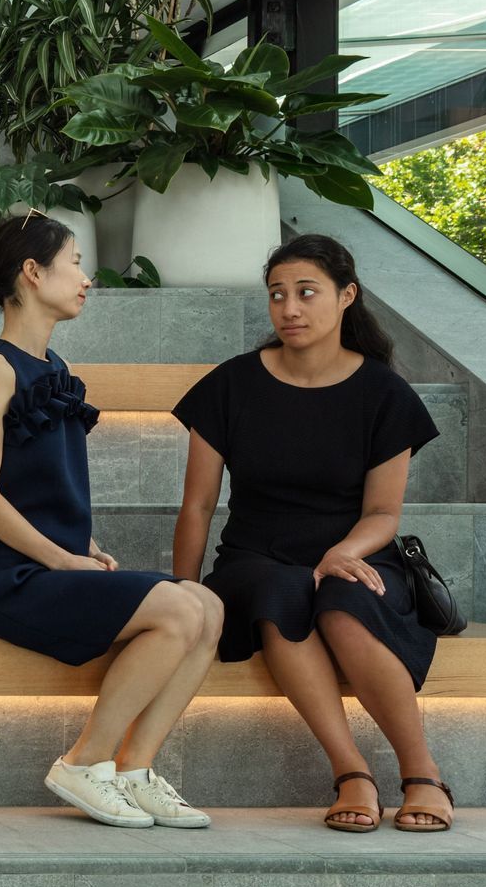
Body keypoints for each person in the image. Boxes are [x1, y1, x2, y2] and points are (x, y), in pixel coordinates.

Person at [173, 233, 451, 832]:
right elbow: (197, 506)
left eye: (306, 293)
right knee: (282, 594)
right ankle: (351, 772)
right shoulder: (232, 385)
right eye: (277, 295)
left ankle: (422, 774)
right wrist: (184, 592)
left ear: (347, 295)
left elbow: (382, 513)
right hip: (255, 557)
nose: (290, 309)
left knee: (343, 602)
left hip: (354, 550)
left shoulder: (383, 393)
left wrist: (340, 553)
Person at [0, 211, 223, 827]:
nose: (85, 278)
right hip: (3, 579)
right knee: (180, 608)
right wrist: (63, 558)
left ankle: (133, 769)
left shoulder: (55, 371)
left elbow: (48, 490)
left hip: (55, 565)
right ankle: (85, 760)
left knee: (208, 609)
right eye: (74, 261)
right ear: (32, 271)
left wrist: (89, 547)